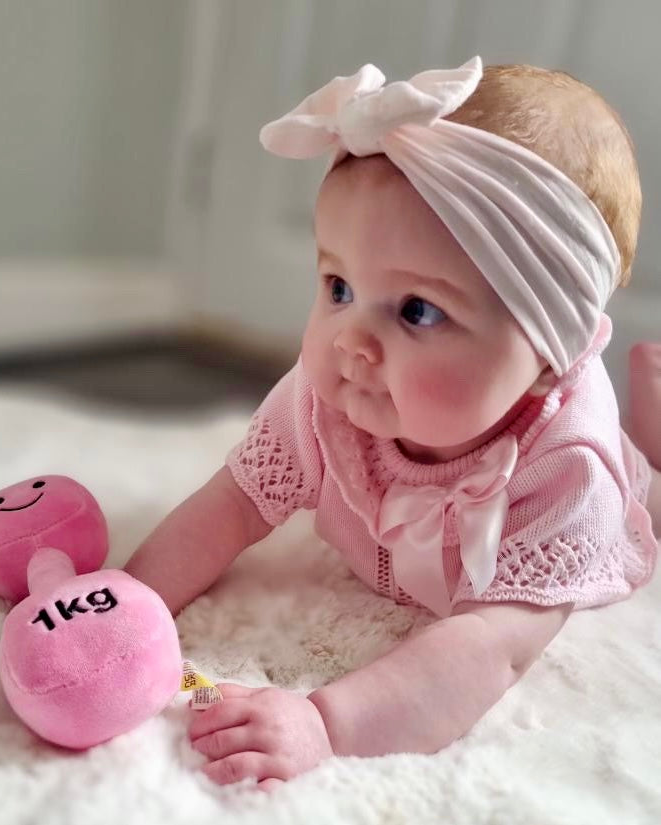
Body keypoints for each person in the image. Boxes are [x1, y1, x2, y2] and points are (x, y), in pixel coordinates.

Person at [125, 57, 659, 789]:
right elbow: (234, 501)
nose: (351, 341)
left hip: (591, 503)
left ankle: (647, 445)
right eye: (338, 287)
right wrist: (128, 599)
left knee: (648, 502)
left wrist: (326, 721)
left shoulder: (565, 467)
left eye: (417, 310)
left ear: (548, 355)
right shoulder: (326, 398)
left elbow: (490, 644)